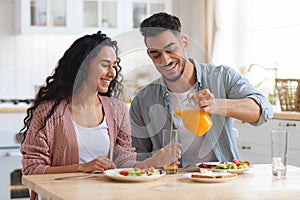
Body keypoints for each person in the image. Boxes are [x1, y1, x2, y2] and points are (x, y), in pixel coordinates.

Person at [20, 31, 180, 200]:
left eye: (114, 65)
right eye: (105, 65)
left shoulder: (117, 109)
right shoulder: (48, 112)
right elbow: (32, 169)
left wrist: (153, 162)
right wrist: (82, 167)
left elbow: (124, 163)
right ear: (82, 66)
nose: (112, 73)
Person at [129, 12, 274, 168]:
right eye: (155, 54)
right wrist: (154, 161)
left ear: (184, 42)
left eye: (170, 50)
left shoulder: (222, 77)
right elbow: (136, 159)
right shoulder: (143, 100)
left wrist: (216, 105)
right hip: (171, 187)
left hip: (222, 180)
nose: (165, 60)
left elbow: (263, 111)